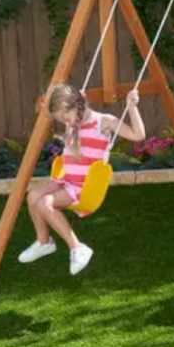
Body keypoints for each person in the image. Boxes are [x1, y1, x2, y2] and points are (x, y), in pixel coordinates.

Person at [17, 83, 146, 275]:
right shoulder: (73, 123)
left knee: (44, 202)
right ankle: (44, 242)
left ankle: (77, 247)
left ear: (76, 106)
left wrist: (132, 107)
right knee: (32, 196)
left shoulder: (104, 122)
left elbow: (138, 135)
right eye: (62, 120)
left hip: (84, 189)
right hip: (66, 182)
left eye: (66, 117)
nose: (66, 123)